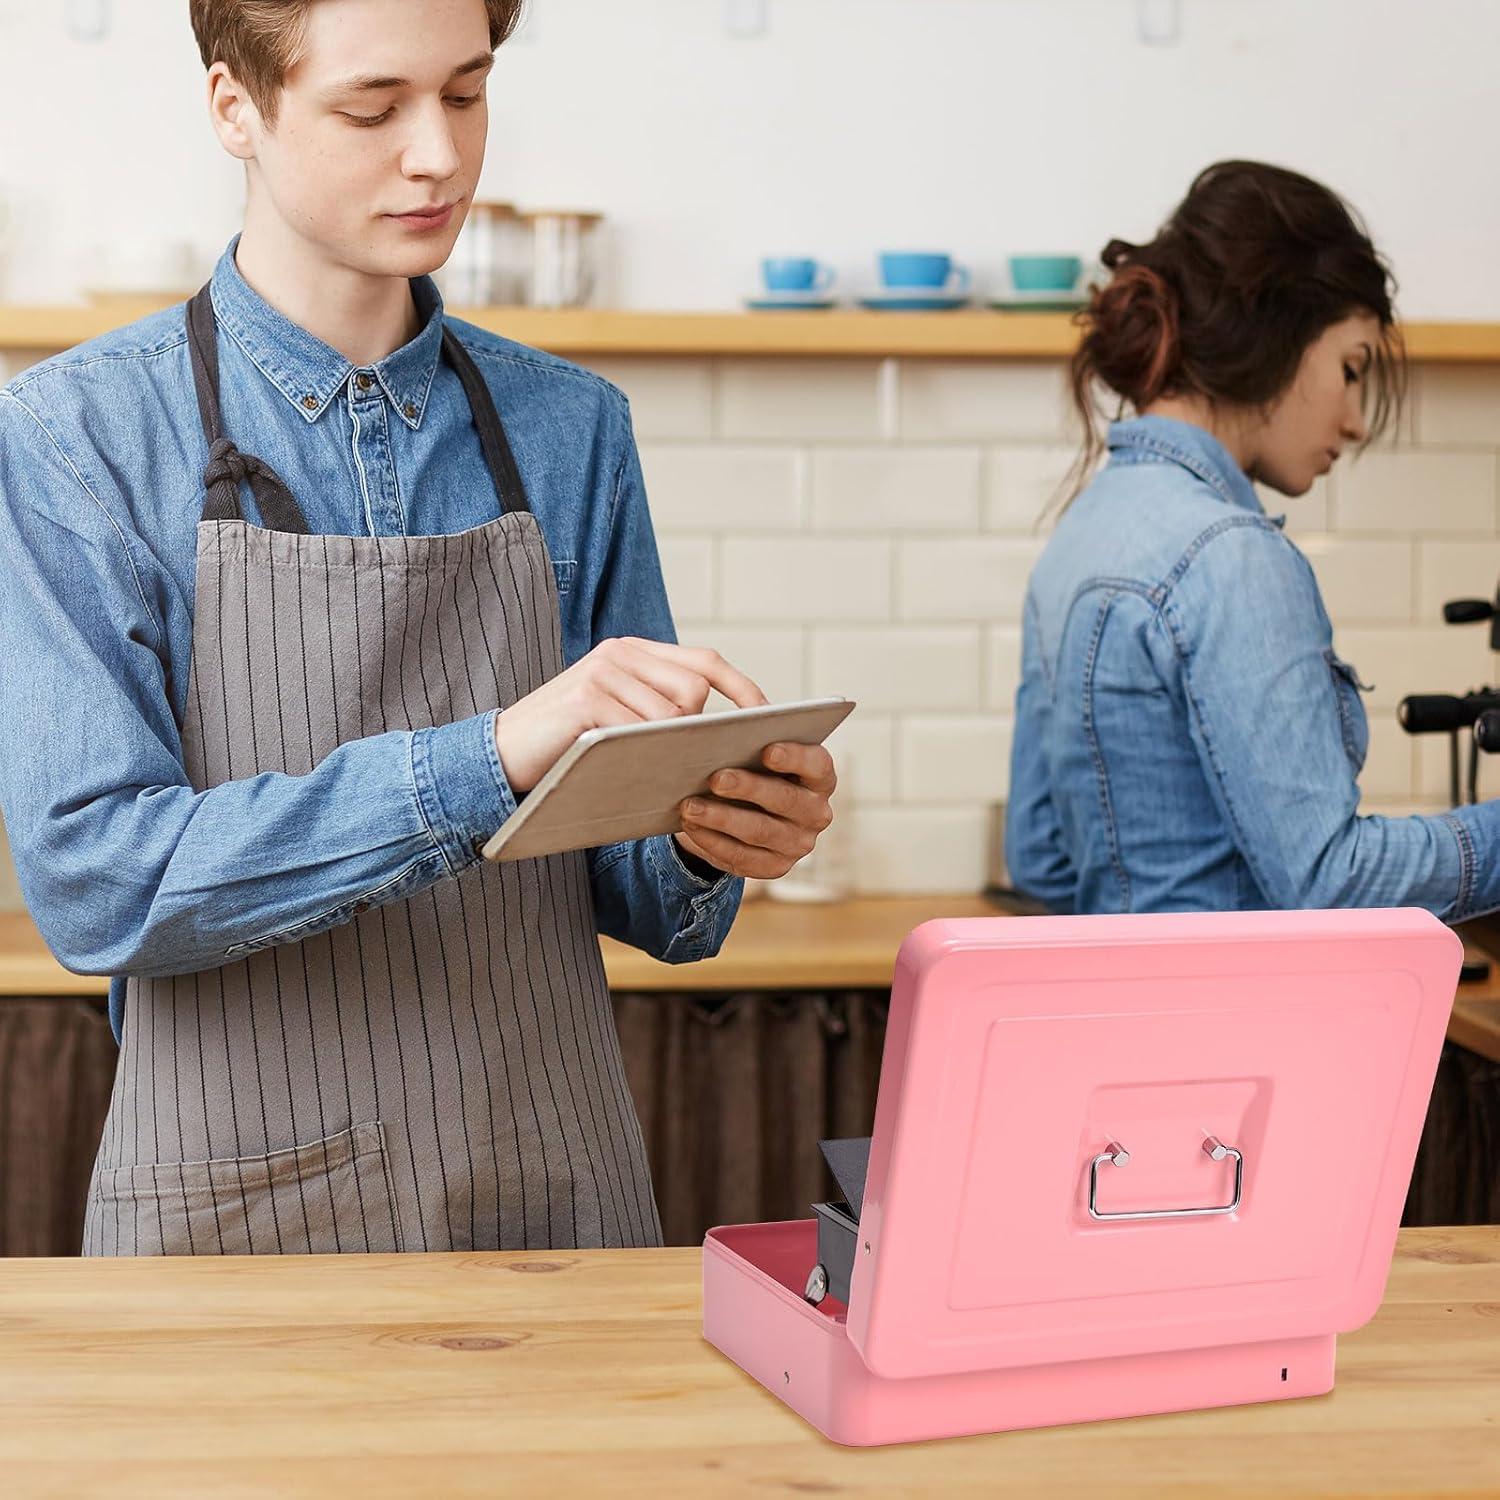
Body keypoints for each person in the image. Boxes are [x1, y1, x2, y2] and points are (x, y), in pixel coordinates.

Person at [0, 0, 836, 1257]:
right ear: (236, 105)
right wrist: (486, 758)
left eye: (466, 91)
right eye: (371, 106)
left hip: (551, 1192)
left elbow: (637, 889)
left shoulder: (572, 429)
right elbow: (100, 884)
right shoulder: (80, 440)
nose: (438, 153)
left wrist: (711, 837)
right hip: (233, 1223)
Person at [1007, 159, 1498, 921]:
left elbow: (1037, 854)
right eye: (1351, 367)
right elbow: (1332, 881)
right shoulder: (1230, 555)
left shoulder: (1081, 535)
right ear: (1277, 334)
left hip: (1111, 1029)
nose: (1357, 418)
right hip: (1241, 1032)